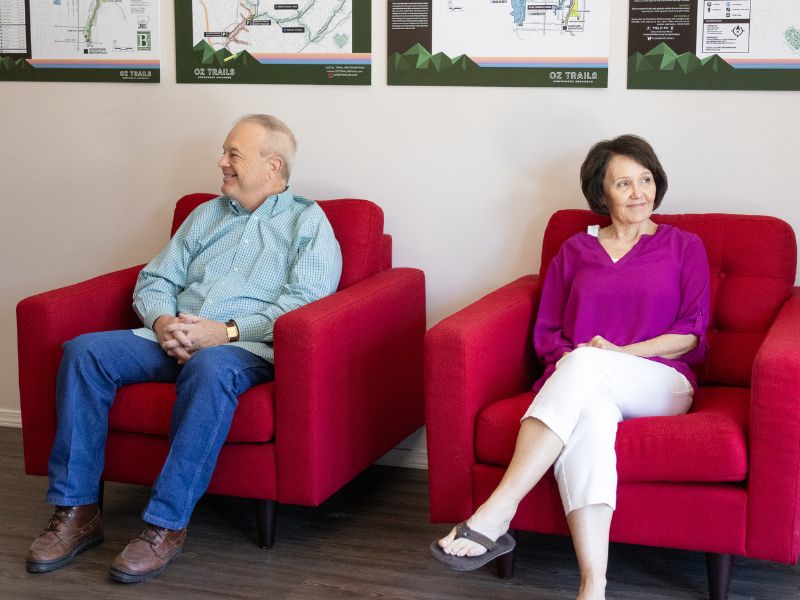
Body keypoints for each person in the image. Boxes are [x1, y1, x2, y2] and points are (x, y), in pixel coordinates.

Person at [26, 114, 343, 583]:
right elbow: (156, 279)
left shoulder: (306, 221)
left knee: (211, 368)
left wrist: (224, 333)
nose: (222, 162)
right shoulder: (205, 214)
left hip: (244, 348)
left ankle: (164, 525)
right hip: (173, 335)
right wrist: (165, 322)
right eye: (225, 152)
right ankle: (77, 512)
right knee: (83, 352)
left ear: (272, 166)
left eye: (234, 154)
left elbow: (306, 303)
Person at [432, 135, 710, 600]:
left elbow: (691, 334)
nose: (639, 192)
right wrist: (588, 361)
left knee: (586, 363)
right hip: (584, 381)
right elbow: (548, 335)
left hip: (662, 381)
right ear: (601, 195)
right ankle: (592, 585)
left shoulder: (684, 246)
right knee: (592, 419)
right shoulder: (574, 251)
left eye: (646, 180)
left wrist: (616, 355)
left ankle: (499, 508)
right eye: (624, 183)